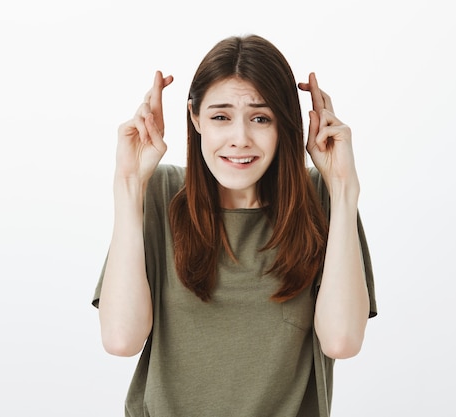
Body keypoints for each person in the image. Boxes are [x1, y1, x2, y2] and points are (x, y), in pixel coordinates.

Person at [92, 34, 377, 417]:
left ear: (285, 125)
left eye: (260, 118)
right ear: (195, 119)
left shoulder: (321, 199)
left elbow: (342, 341)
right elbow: (121, 339)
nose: (239, 139)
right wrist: (128, 185)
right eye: (220, 117)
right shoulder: (160, 192)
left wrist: (343, 189)